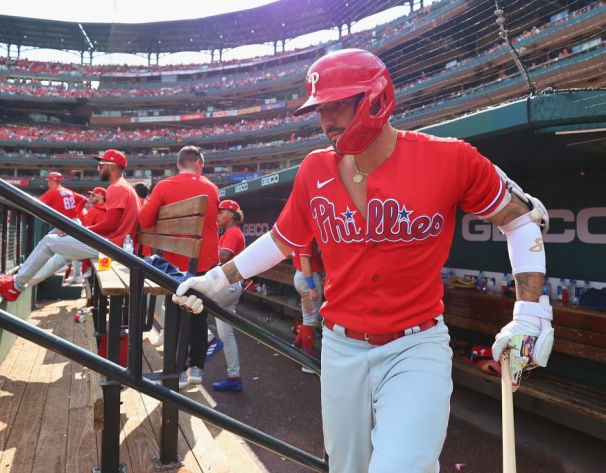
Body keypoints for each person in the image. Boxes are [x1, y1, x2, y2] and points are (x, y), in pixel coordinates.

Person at [172, 49, 552, 473]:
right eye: (320, 108)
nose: (326, 119)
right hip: (340, 346)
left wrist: (531, 314)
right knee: (346, 467)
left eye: (337, 104)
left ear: (374, 98)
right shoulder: (315, 168)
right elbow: (281, 240)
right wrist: (219, 279)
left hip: (416, 344)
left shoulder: (449, 157)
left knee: (402, 466)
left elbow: (520, 218)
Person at [0, 149, 140, 301]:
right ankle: (19, 280)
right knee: (62, 255)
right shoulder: (124, 187)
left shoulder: (117, 187)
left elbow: (111, 225)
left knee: (48, 241)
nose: (98, 168)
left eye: (101, 164)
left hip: (114, 249)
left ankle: (16, 285)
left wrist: (79, 232)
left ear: (112, 166)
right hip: (118, 246)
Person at [140, 145, 220, 388]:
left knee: (178, 308)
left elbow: (144, 221)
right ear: (198, 163)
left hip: (176, 267)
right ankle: (195, 367)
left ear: (178, 164)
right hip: (204, 264)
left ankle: (177, 370)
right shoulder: (212, 188)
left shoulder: (164, 186)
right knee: (198, 312)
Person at [210, 199, 246, 392]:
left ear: (231, 215)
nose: (218, 216)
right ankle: (234, 378)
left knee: (190, 297)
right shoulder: (228, 233)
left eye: (221, 212)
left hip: (229, 286)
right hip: (230, 285)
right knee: (226, 335)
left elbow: (223, 256)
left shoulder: (232, 232)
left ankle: (208, 339)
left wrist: (207, 246)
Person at [39, 172, 88, 283]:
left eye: (49, 180)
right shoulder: (67, 191)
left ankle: (51, 270)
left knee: (46, 241)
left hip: (67, 224)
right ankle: (77, 275)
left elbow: (37, 203)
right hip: (74, 222)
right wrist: (76, 211)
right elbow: (84, 199)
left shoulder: (53, 192)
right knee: (74, 249)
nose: (48, 183)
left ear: (54, 181)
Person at [291, 239, 324, 373]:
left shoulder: (302, 234)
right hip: (307, 278)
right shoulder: (307, 235)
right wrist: (311, 287)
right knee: (310, 320)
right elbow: (304, 260)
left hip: (303, 276)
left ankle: (296, 347)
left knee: (308, 319)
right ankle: (307, 362)